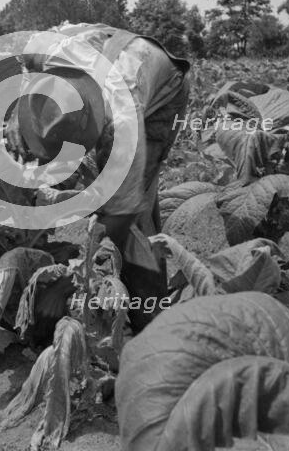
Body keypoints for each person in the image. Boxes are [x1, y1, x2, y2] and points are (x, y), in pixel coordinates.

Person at [10, 22, 190, 330]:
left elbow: (123, 213)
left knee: (134, 210)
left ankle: (149, 313)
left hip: (163, 86)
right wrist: (18, 116)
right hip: (114, 62)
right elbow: (25, 50)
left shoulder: (121, 123)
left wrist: (66, 283)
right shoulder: (49, 55)